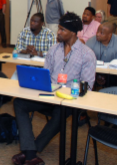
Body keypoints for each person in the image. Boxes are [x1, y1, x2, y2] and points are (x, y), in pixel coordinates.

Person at [12, 12, 96, 165]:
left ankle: (31, 151)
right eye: (59, 28)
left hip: (69, 101)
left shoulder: (87, 54)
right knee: (19, 103)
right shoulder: (54, 50)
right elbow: (45, 75)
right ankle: (31, 154)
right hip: (49, 96)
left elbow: (88, 86)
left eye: (62, 29)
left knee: (60, 114)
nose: (59, 32)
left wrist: (70, 92)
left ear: (72, 32)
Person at [10, 13, 56, 80]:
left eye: (35, 22)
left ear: (42, 23)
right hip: (26, 65)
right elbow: (16, 49)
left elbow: (53, 53)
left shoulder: (49, 34)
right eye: (31, 21)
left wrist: (38, 53)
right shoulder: (24, 32)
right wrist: (26, 51)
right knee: (13, 81)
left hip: (43, 67)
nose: (32, 23)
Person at [86, 22, 117, 87]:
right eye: (97, 31)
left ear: (110, 35)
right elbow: (86, 61)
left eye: (101, 33)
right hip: (95, 72)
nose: (98, 34)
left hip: (114, 75)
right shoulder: (90, 41)